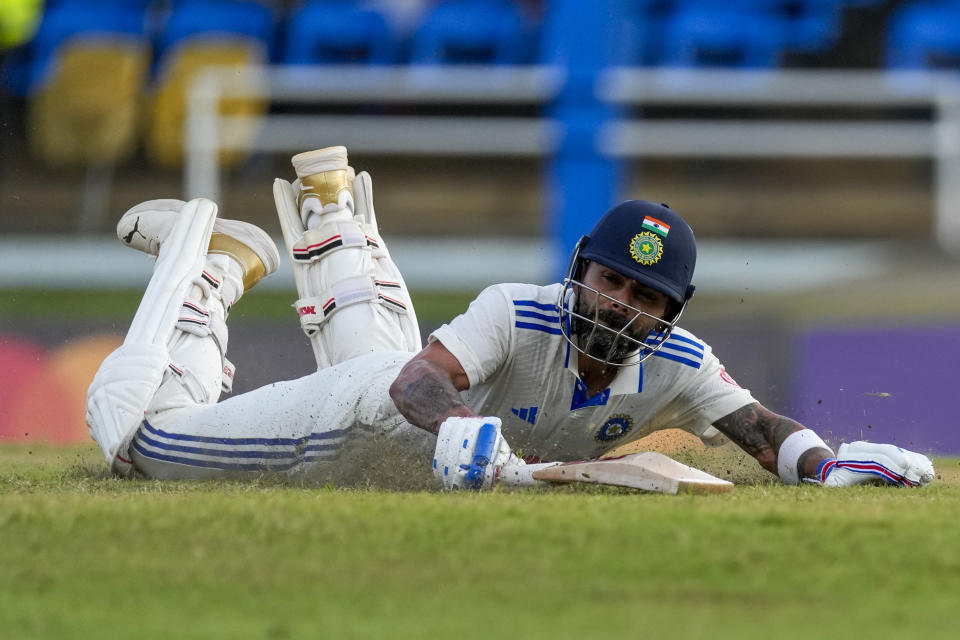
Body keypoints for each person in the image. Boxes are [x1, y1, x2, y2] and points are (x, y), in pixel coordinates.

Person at [86, 146, 935, 490]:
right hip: (351, 418)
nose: (620, 305)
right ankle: (208, 271)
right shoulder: (517, 311)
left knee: (376, 355)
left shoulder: (680, 361)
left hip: (401, 434)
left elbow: (757, 425)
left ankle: (332, 207)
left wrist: (821, 467)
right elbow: (416, 380)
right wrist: (461, 430)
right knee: (141, 445)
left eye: (644, 298)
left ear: (670, 312)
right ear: (581, 272)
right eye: (611, 282)